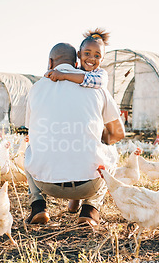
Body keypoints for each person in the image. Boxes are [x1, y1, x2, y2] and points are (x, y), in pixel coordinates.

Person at [24, 41, 125, 226]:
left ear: (50, 62)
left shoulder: (36, 88)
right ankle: (90, 209)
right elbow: (118, 134)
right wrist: (96, 137)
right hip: (89, 184)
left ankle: (38, 205)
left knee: (29, 147)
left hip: (46, 183)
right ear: (77, 60)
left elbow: (32, 131)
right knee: (111, 151)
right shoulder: (96, 87)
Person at [44, 28, 110, 90]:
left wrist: (63, 75)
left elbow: (94, 81)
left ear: (102, 59)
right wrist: (51, 73)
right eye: (87, 54)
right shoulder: (74, 70)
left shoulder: (100, 74)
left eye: (97, 56)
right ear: (79, 54)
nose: (92, 58)